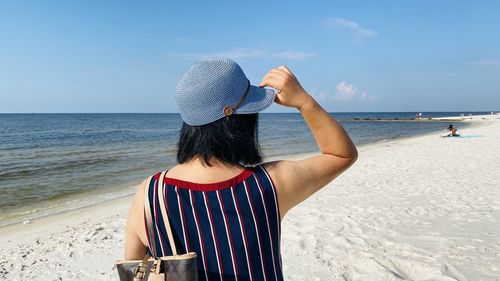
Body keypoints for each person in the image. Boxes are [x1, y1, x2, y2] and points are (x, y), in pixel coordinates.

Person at [124, 58, 358, 280]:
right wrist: (304, 102)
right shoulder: (269, 185)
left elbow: (134, 270)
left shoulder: (150, 194)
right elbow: (341, 153)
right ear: (241, 120)